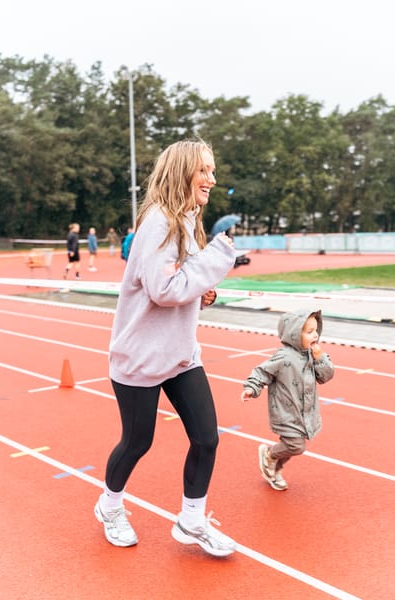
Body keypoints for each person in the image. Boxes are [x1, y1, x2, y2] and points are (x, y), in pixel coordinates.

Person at [94, 139, 237, 557]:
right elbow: (162, 289)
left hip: (179, 354)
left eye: (212, 170)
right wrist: (216, 260)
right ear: (182, 171)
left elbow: (183, 282)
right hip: (141, 357)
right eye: (204, 170)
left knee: (207, 438)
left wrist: (201, 292)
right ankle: (109, 506)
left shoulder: (188, 218)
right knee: (138, 442)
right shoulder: (158, 220)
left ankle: (191, 520)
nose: (211, 179)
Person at [241, 308, 334, 491]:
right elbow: (262, 372)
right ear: (294, 334)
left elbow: (325, 376)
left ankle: (274, 468)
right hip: (285, 412)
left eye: (316, 330)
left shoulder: (312, 355)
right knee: (296, 446)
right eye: (309, 332)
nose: (315, 335)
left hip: (305, 413)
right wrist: (252, 387)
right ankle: (269, 454)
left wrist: (320, 358)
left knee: (293, 445)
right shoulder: (284, 357)